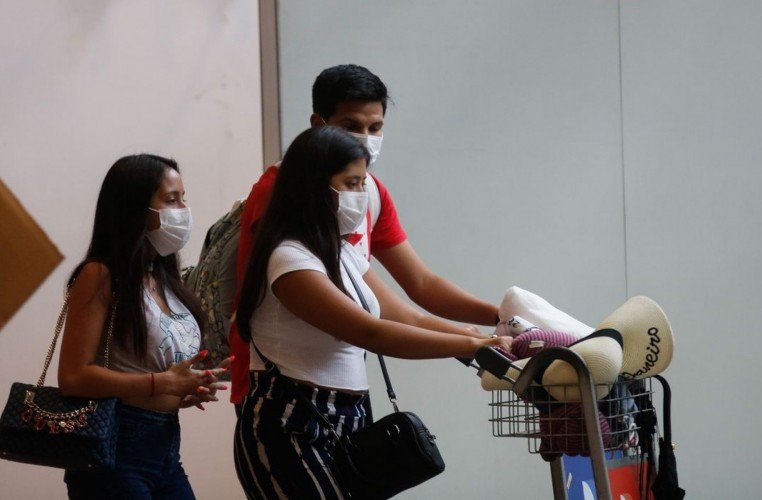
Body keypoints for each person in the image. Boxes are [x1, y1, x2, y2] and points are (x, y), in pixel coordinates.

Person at [233, 126, 511, 499]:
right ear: (312, 186)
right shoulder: (289, 259)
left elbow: (408, 317)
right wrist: (469, 347)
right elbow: (370, 332)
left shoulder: (341, 251)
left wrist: (480, 334)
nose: (360, 196)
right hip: (292, 420)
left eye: (363, 184)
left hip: (349, 418)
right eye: (350, 183)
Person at [228, 64, 499, 409]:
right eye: (351, 126)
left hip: (341, 392)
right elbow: (368, 330)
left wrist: (499, 321)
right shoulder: (284, 210)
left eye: (376, 127)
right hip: (285, 389)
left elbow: (419, 287)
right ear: (318, 125)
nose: (366, 139)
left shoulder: (367, 199)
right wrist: (470, 344)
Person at [57, 154, 231, 499]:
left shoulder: (162, 277)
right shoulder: (101, 275)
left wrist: (186, 386)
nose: (183, 209)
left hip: (164, 446)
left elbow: (143, 371)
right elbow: (73, 377)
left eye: (183, 198)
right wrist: (162, 382)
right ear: (134, 209)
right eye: (170, 200)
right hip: (115, 450)